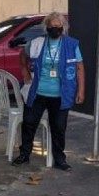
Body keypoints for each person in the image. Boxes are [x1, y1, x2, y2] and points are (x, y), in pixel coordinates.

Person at [13, 12, 85, 170]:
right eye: (51, 27)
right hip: (38, 92)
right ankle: (24, 154)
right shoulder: (37, 43)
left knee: (59, 127)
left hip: (61, 94)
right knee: (29, 123)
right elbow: (22, 55)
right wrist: (25, 72)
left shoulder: (71, 44)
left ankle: (60, 159)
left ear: (63, 28)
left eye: (58, 27)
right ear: (47, 28)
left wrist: (81, 90)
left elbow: (79, 67)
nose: (55, 29)